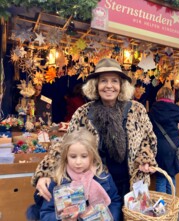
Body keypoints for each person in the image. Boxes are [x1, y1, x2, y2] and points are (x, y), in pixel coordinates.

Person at [31, 58, 157, 219]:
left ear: (121, 85)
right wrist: (45, 172)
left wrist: (146, 158)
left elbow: (148, 141)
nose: (109, 85)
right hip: (99, 183)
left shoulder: (137, 110)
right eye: (103, 80)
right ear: (96, 85)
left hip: (133, 183)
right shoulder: (83, 113)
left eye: (114, 81)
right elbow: (66, 145)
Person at [27, 128, 121, 220]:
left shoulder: (103, 177)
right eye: (73, 156)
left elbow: (115, 202)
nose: (78, 162)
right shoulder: (58, 180)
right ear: (66, 156)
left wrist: (112, 218)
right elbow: (46, 214)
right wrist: (61, 218)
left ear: (92, 155)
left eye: (84, 156)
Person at [148, 87, 179, 194]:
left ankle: (161, 208)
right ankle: (171, 206)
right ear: (171, 97)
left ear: (158, 96)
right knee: (171, 177)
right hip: (173, 147)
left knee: (161, 178)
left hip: (158, 147)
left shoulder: (152, 110)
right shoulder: (175, 109)